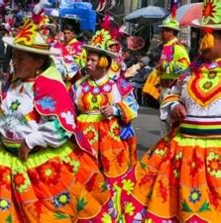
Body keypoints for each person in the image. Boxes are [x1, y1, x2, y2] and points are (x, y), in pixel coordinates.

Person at [0, 19, 113, 222]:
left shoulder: (48, 86)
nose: (14, 62)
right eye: (14, 57)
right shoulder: (12, 83)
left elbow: (60, 124)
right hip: (4, 160)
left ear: (39, 62)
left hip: (38, 161)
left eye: (21, 59)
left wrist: (31, 140)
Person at [123, 1, 221, 221]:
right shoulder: (192, 70)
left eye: (206, 36)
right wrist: (175, 105)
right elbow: (173, 92)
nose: (201, 42)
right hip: (183, 147)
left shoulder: (178, 51)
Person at [71, 29, 139, 220]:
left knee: (109, 175)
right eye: (88, 59)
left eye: (93, 60)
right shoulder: (78, 85)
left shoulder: (118, 85)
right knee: (84, 174)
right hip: (83, 139)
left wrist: (116, 109)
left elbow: (133, 106)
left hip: (109, 138)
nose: (89, 63)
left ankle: (113, 212)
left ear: (103, 63)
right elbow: (69, 109)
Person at [155, 18, 190, 137]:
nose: (162, 33)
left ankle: (168, 145)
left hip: (173, 88)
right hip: (165, 87)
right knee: (163, 119)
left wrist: (165, 65)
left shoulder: (178, 47)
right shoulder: (166, 46)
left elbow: (185, 66)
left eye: (164, 31)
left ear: (171, 32)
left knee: (169, 119)